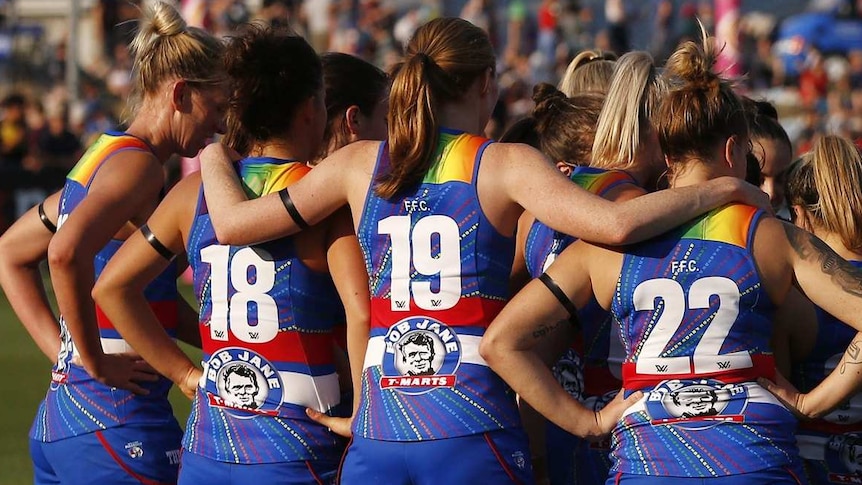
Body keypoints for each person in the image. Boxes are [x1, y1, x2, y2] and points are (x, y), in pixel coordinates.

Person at [198, 17, 769, 485]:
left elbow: (231, 223)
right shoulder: (502, 163)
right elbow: (616, 225)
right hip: (470, 426)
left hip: (381, 429)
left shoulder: (358, 163)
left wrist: (217, 156)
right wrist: (722, 187)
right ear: (485, 84)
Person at [482, 26, 862, 484]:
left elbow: (501, 343)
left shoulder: (608, 248)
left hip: (649, 460)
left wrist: (589, 421)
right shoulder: (769, 236)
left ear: (667, 153)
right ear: (732, 149)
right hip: (753, 459)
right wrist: (813, 402)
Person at [92, 24, 369, 484]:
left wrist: (184, 375)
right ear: (309, 108)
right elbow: (360, 314)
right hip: (297, 445)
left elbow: (113, 287)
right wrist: (365, 419)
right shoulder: (325, 202)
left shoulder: (193, 193)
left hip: (209, 447)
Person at [9, 2, 227, 484]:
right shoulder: (140, 167)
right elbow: (63, 253)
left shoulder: (102, 155)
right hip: (118, 424)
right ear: (181, 93)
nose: (221, 125)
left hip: (62, 421)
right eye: (218, 108)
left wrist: (66, 358)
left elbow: (9, 252)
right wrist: (95, 362)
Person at [771, 135, 862, 484]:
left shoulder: (792, 299)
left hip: (813, 465)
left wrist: (809, 404)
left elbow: (776, 392)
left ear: (801, 216)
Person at [312, 52, 389, 164]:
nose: (395, 133)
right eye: (386, 121)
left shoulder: (287, 177)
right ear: (354, 119)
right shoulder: (388, 178)